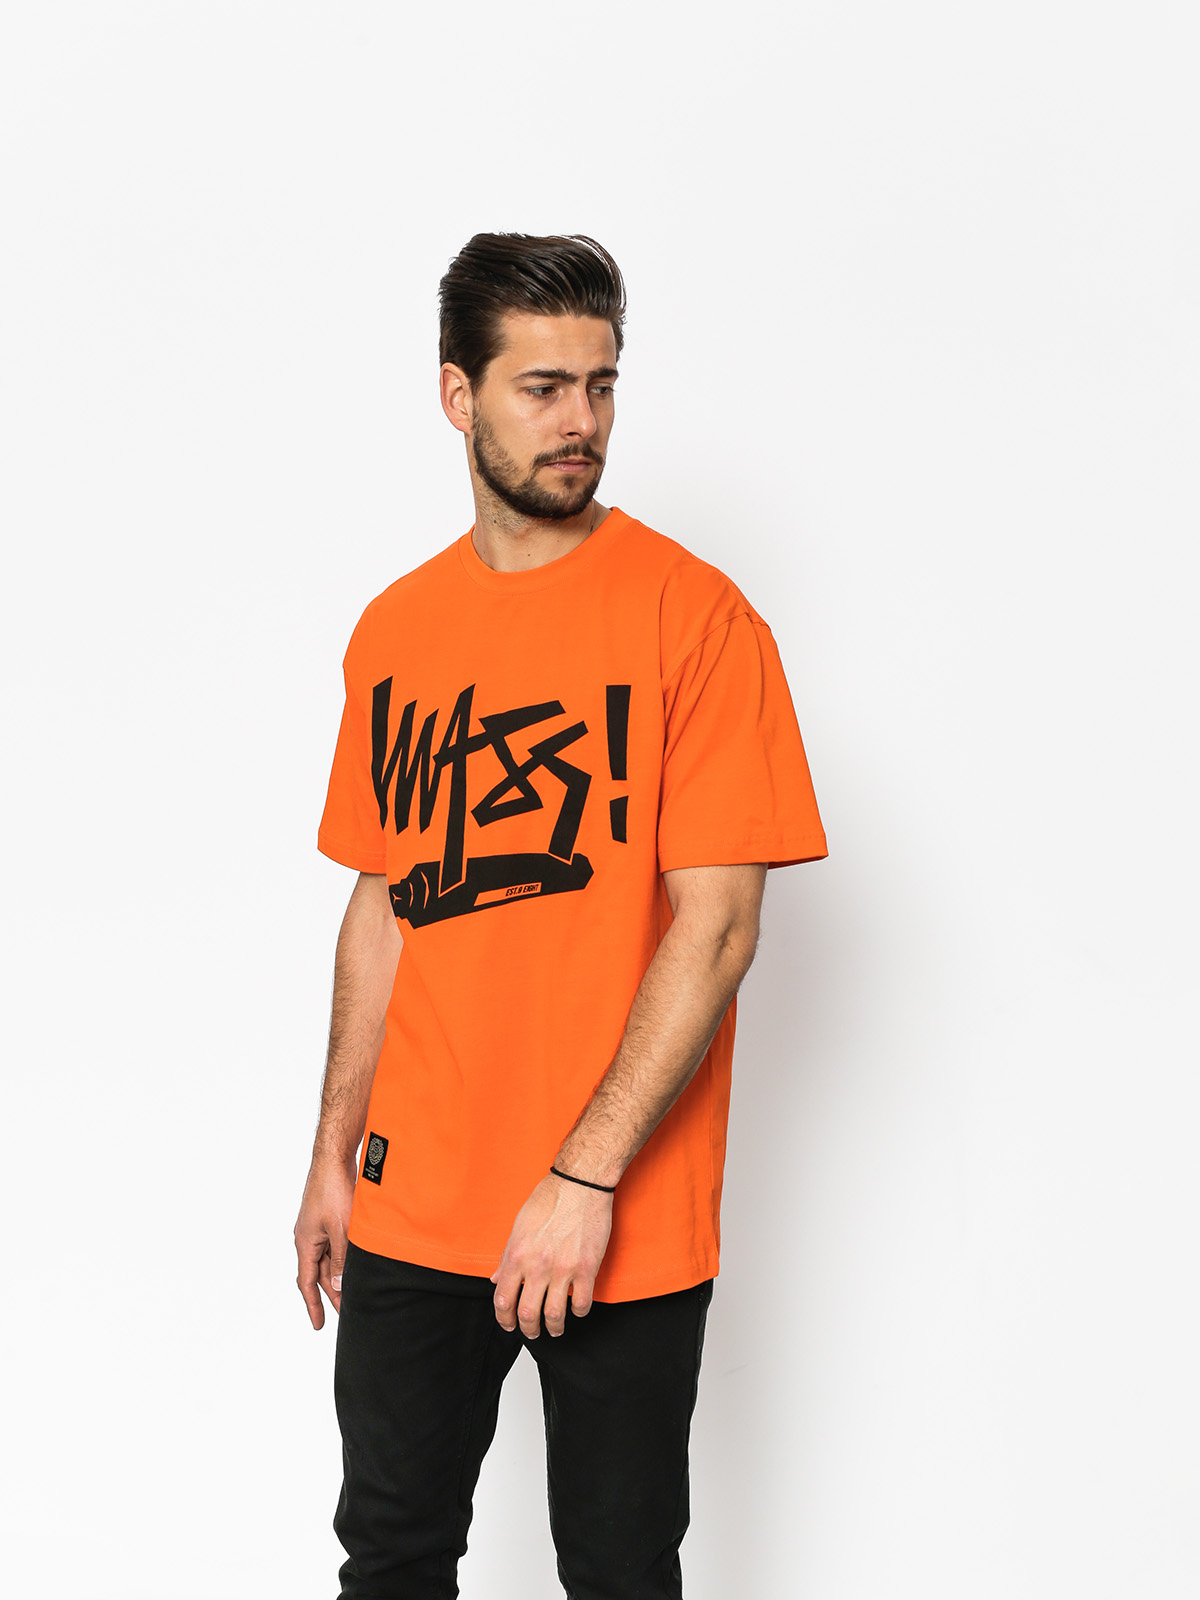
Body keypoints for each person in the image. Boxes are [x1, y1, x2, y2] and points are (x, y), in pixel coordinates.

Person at [294, 232, 828, 1600]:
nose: (580, 419)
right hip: (415, 1201)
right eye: (542, 388)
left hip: (620, 1211)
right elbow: (384, 902)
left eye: (600, 384)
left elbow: (718, 928)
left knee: (618, 1572)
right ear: (457, 396)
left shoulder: (697, 621)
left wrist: (582, 1181)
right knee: (389, 1557)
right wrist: (334, 1150)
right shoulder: (396, 631)